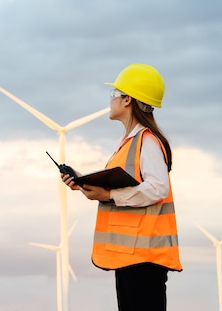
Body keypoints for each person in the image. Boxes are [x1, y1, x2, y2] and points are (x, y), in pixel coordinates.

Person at [61, 64, 182, 311]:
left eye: (114, 95)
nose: (111, 100)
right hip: (131, 254)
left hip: (144, 256)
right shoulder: (128, 143)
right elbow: (125, 184)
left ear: (127, 100)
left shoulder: (146, 141)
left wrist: (109, 194)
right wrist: (86, 182)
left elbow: (157, 188)